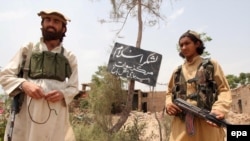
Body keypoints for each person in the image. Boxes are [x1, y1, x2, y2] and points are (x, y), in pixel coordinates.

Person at [0, 10, 79, 141]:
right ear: (42, 24)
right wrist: (24, 85)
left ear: (64, 28)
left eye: (56, 21)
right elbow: (5, 75)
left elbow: (74, 87)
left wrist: (62, 94)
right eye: (47, 20)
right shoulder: (28, 49)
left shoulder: (69, 57)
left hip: (56, 117)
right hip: (27, 117)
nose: (51, 24)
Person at [165, 30, 232, 141]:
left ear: (197, 44)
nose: (183, 47)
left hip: (208, 124)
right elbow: (169, 92)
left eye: (187, 43)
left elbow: (224, 89)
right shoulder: (177, 71)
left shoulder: (211, 65)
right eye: (181, 45)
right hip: (181, 127)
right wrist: (169, 104)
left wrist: (219, 108)